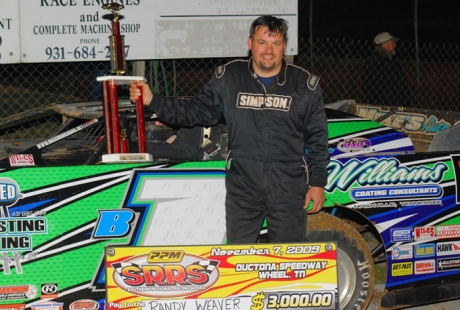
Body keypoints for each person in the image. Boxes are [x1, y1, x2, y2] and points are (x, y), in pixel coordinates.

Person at [129, 15, 330, 244]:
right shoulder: (229, 77)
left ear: (284, 45)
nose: (268, 50)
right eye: (262, 42)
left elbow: (317, 138)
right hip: (243, 187)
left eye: (276, 43)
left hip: (288, 187)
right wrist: (154, 100)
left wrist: (317, 182)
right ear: (249, 44)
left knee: (286, 261)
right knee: (238, 260)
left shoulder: (304, 84)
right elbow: (195, 112)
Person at [362, 32, 410, 107]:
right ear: (384, 45)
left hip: (394, 103)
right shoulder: (376, 62)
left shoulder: (390, 61)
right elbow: (376, 86)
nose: (395, 45)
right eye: (392, 43)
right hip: (385, 104)